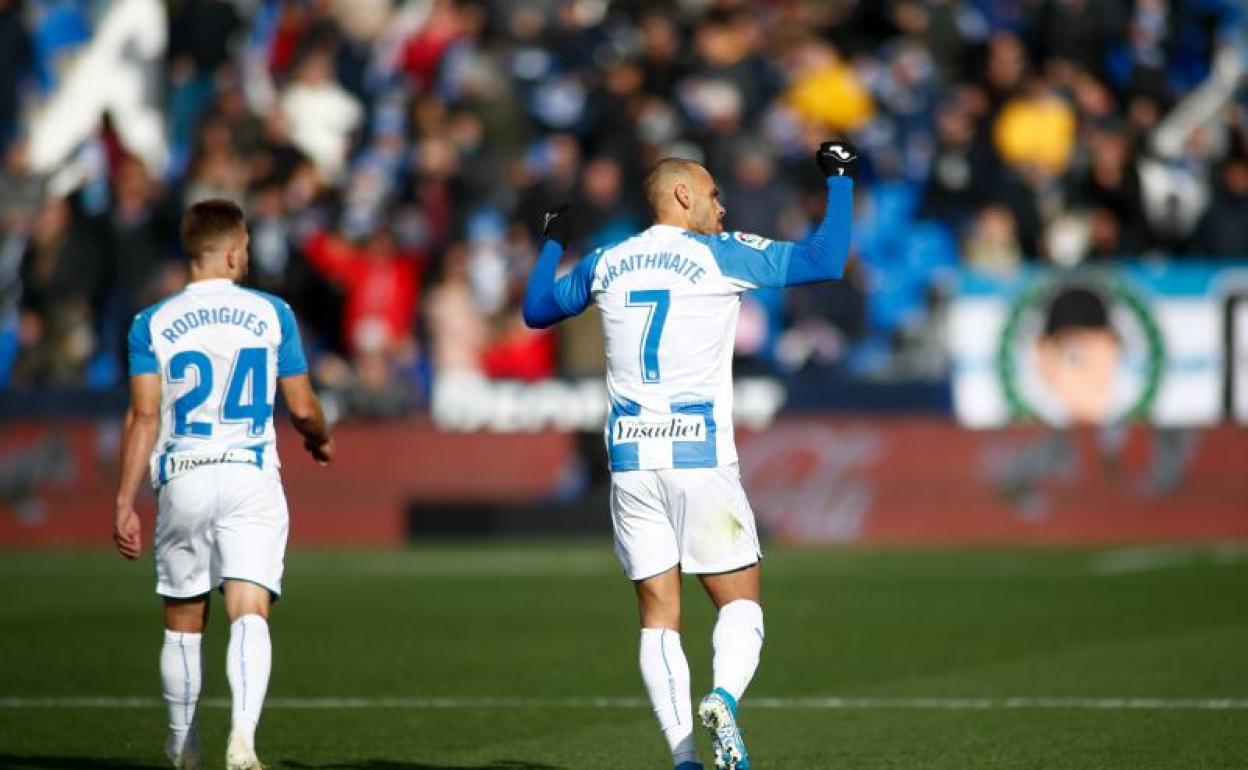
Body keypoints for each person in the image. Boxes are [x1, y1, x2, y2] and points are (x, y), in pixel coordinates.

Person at [522, 142, 856, 770]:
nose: (722, 208)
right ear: (682, 195)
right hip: (698, 455)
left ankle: (684, 760)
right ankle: (723, 698)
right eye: (713, 194)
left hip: (630, 460)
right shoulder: (717, 254)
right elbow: (826, 259)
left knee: (658, 617)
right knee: (740, 603)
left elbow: (536, 310)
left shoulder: (606, 261)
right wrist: (839, 180)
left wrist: (550, 244)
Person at [112, 199, 335, 770]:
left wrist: (124, 500)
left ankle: (183, 743)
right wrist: (318, 438)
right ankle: (243, 739)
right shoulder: (272, 313)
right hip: (249, 474)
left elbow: (143, 416)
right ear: (234, 254)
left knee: (184, 620)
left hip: (183, 474)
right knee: (249, 608)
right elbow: (302, 407)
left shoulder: (150, 323)